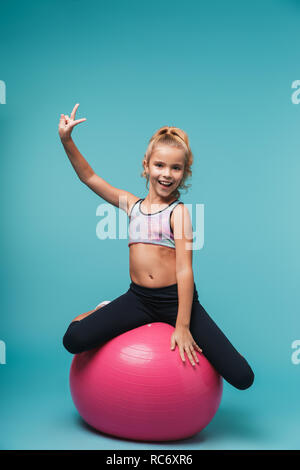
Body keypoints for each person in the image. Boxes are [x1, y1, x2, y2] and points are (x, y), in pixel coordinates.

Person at [59, 104, 254, 391]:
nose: (167, 174)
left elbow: (185, 272)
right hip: (137, 299)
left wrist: (183, 325)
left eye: (176, 168)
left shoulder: (179, 213)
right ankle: (103, 309)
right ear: (146, 166)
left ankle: (223, 348)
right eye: (160, 165)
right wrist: (67, 140)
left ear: (184, 173)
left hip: (176, 300)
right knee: (72, 340)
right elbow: (90, 177)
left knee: (242, 377)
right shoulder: (131, 205)